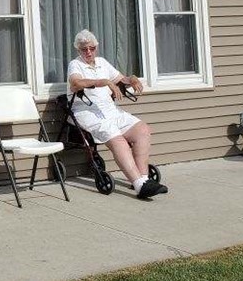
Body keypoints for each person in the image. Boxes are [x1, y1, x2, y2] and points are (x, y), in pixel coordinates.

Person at [67, 29, 169, 199]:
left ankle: (144, 180)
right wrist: (104, 82)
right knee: (119, 140)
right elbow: (76, 83)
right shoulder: (75, 65)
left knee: (142, 129)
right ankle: (139, 185)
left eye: (91, 48)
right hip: (87, 112)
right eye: (84, 49)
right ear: (79, 50)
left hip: (110, 110)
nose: (88, 52)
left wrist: (133, 79)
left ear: (96, 47)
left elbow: (122, 79)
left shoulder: (102, 63)